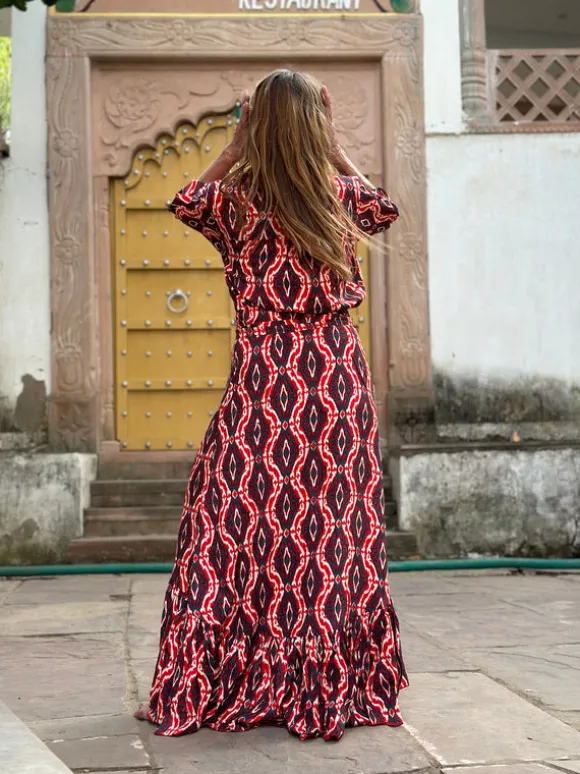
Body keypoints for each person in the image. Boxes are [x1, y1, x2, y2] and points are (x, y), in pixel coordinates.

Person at [135, 69, 407, 742]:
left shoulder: (236, 203)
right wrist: (336, 145)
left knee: (229, 525)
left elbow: (186, 199)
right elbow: (384, 205)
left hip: (263, 380)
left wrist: (235, 141)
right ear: (316, 123)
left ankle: (225, 677)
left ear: (257, 124)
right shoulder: (339, 196)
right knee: (328, 531)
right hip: (336, 383)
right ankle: (321, 680)